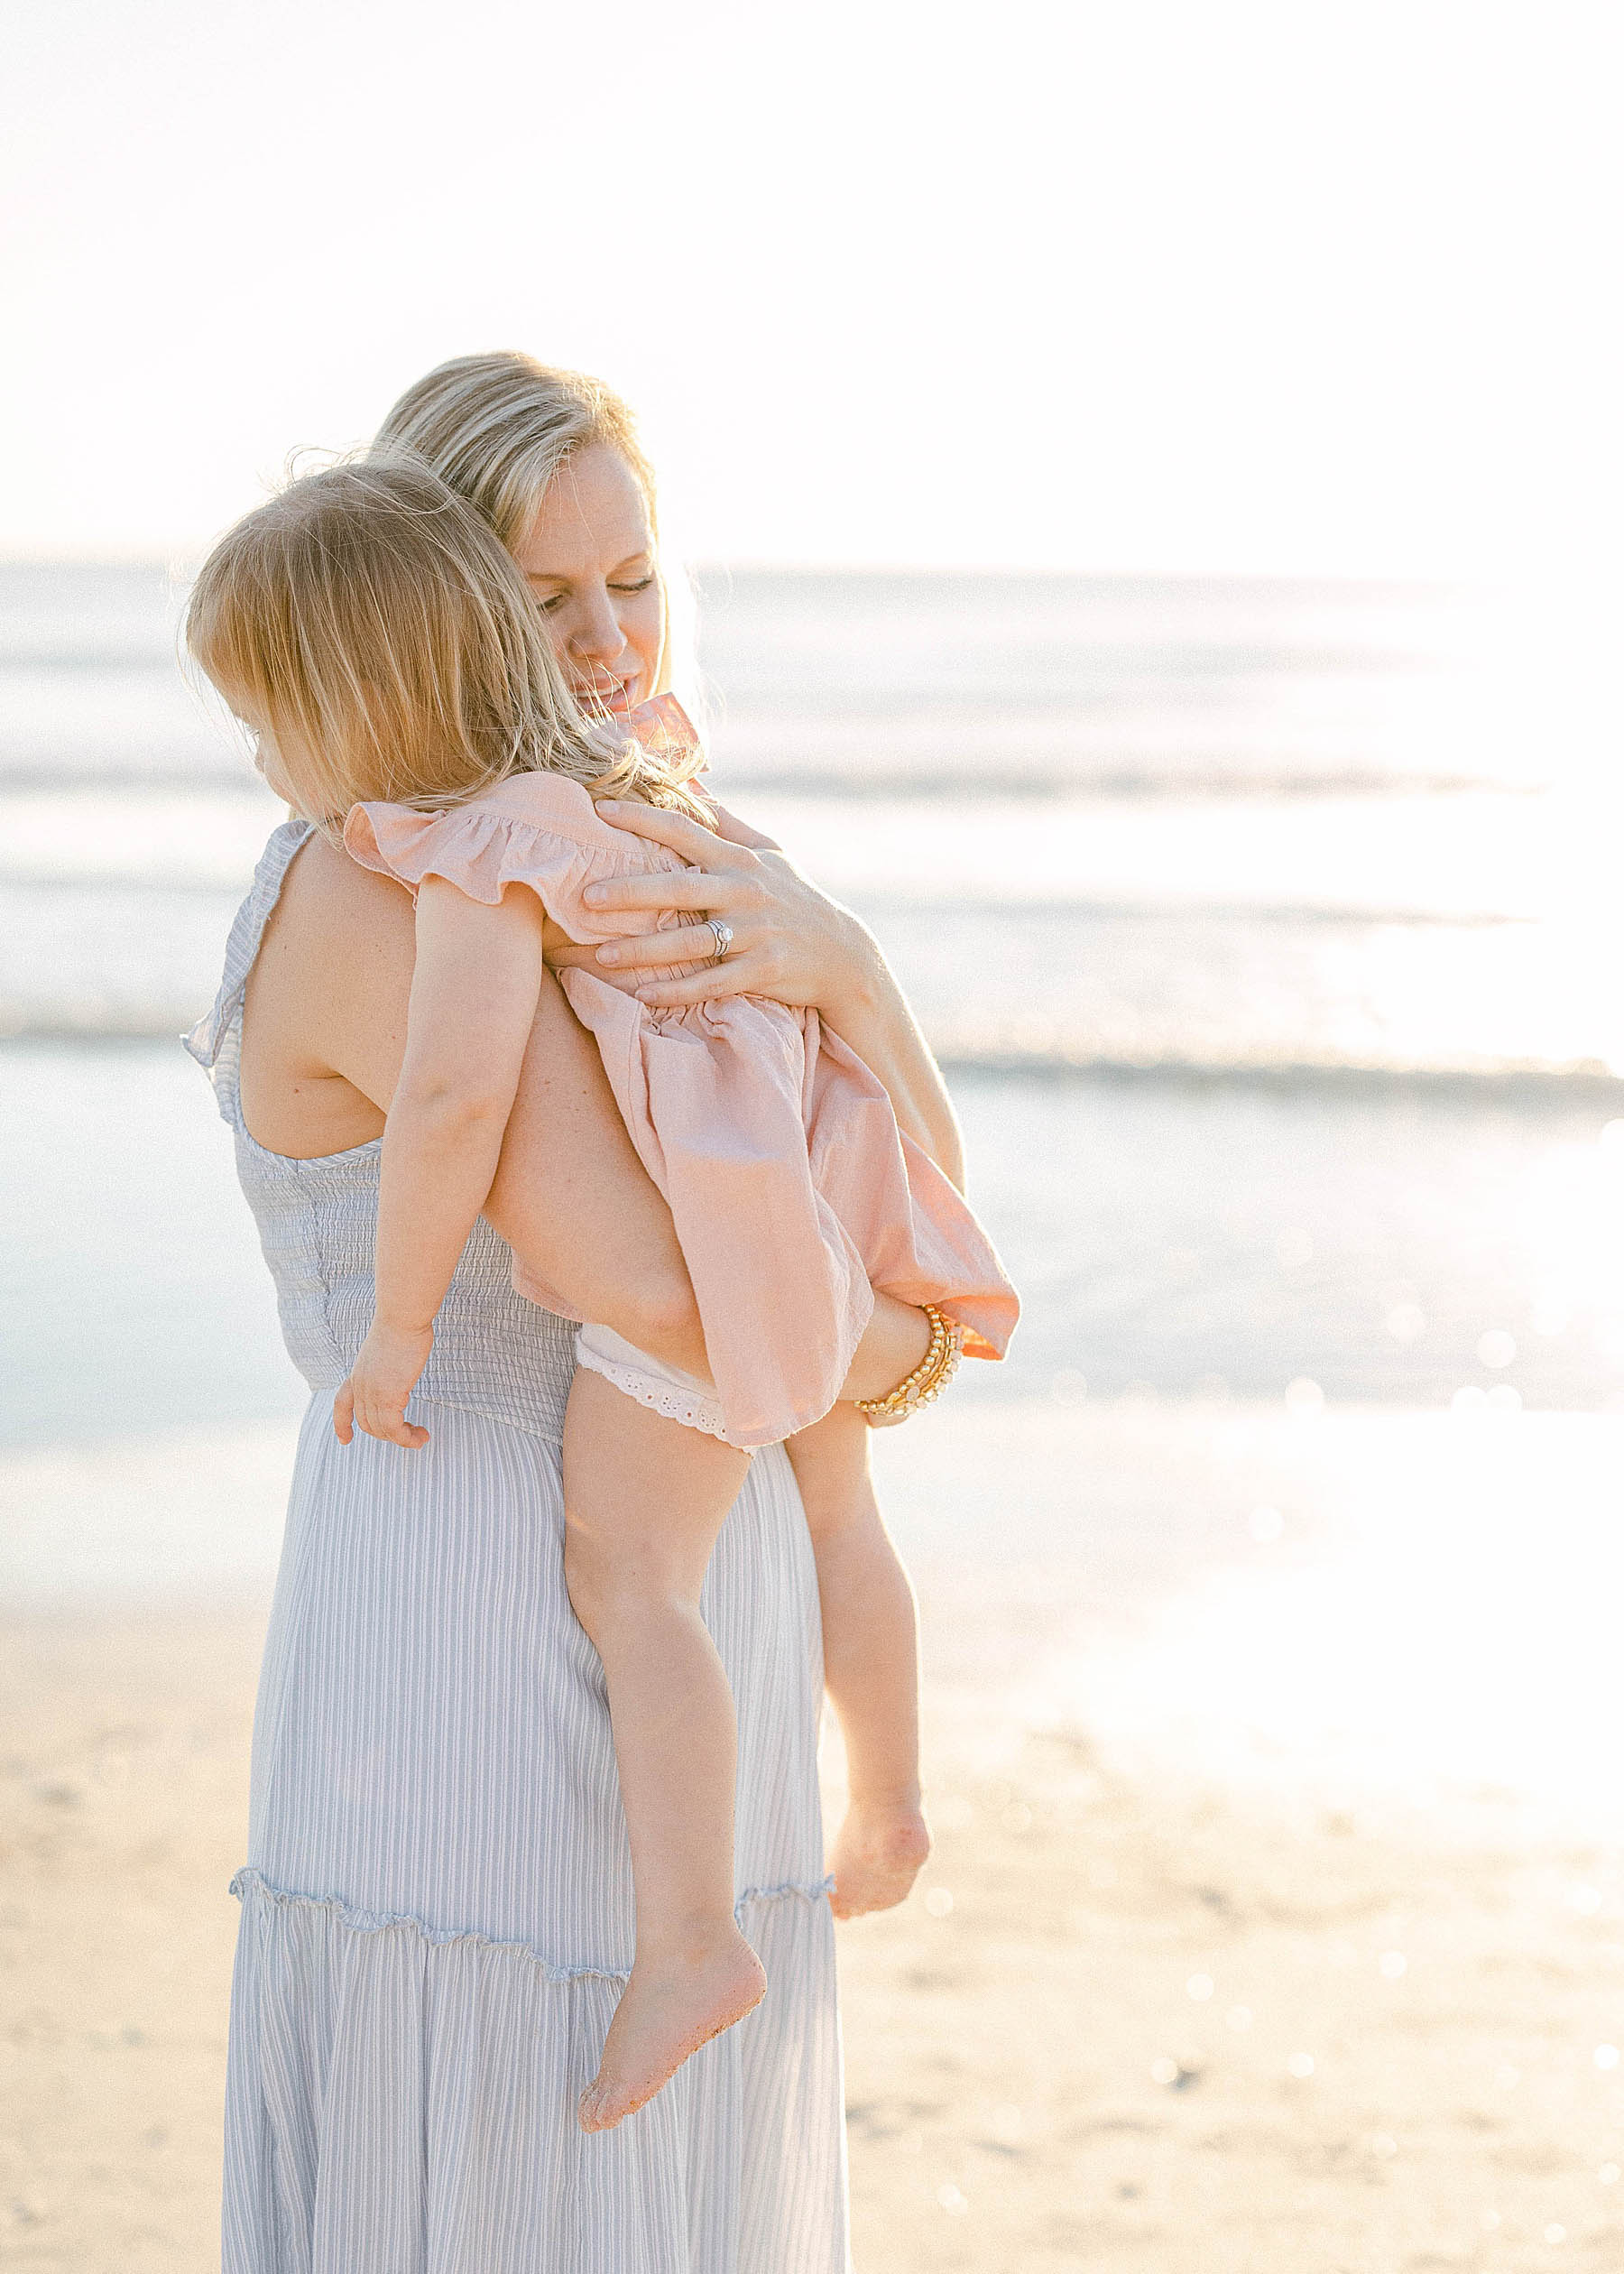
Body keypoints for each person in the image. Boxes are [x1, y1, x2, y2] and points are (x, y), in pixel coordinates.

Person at [189, 352, 995, 2270]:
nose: (607, 639)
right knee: (508, 2174)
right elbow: (672, 1293)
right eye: (543, 598)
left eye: (630, 579)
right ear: (426, 608)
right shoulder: (391, 883)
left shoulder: (628, 836)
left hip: (681, 1611)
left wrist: (861, 979)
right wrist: (912, 1359)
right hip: (488, 1636)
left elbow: (904, 1176)